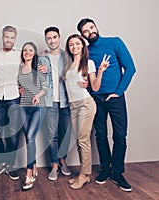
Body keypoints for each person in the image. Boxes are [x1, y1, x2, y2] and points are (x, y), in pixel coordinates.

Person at [77, 18, 136, 192]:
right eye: (86, 31)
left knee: (119, 135)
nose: (90, 32)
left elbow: (130, 68)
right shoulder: (85, 51)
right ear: (83, 35)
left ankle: (117, 172)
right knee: (100, 135)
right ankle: (105, 169)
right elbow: (81, 71)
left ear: (96, 27)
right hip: (95, 98)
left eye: (91, 27)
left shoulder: (114, 42)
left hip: (115, 97)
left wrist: (118, 91)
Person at [64, 34, 109, 189]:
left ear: (83, 45)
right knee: (79, 140)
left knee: (83, 140)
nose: (74, 47)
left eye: (77, 43)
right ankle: (84, 174)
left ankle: (84, 175)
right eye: (71, 44)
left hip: (85, 103)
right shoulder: (68, 64)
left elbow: (95, 87)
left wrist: (101, 70)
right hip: (73, 105)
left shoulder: (88, 63)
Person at [0, 26, 23, 180]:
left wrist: (43, 58)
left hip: (14, 97)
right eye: (6, 37)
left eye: (12, 37)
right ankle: (2, 162)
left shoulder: (20, 54)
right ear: (2, 37)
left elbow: (32, 64)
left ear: (15, 39)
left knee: (13, 134)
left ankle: (10, 165)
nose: (9, 40)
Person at [18, 42, 49, 190]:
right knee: (29, 139)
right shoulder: (19, 68)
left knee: (30, 137)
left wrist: (37, 95)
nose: (27, 52)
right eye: (25, 50)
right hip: (23, 107)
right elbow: (18, 85)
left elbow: (45, 88)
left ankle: (29, 173)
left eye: (30, 50)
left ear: (34, 53)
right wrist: (19, 89)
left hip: (38, 107)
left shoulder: (39, 68)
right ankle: (35, 166)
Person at [43, 26, 72, 181]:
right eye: (49, 38)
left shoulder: (68, 56)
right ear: (46, 40)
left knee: (66, 134)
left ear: (59, 38)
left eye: (54, 37)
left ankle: (63, 160)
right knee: (51, 135)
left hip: (67, 101)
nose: (52, 40)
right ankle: (54, 164)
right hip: (50, 102)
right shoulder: (42, 58)